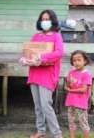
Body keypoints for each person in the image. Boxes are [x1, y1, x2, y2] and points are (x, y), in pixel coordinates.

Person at [27, 10, 63, 138]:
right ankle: (41, 131)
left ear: (52, 21)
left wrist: (42, 57)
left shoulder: (56, 36)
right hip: (34, 74)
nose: (44, 22)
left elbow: (59, 53)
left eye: (47, 19)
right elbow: (28, 51)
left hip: (47, 75)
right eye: (42, 19)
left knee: (46, 106)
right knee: (37, 106)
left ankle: (57, 134)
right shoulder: (36, 36)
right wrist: (24, 59)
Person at [65, 50, 92, 138]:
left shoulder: (86, 74)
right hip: (71, 102)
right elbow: (67, 86)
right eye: (74, 60)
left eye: (79, 60)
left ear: (85, 61)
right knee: (71, 121)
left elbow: (83, 89)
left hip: (80, 103)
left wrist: (70, 90)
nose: (76, 62)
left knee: (83, 122)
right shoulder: (71, 73)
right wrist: (68, 84)